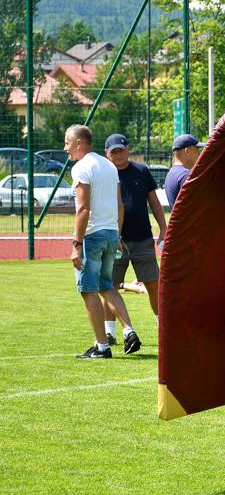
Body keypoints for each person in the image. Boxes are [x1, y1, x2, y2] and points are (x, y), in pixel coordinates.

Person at [64, 124, 137, 359]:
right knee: (107, 286)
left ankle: (101, 347)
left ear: (78, 143)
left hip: (92, 236)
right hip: (110, 234)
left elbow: (82, 208)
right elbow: (119, 205)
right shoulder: (108, 165)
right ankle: (129, 330)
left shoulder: (81, 167)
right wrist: (117, 235)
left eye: (67, 143)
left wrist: (76, 245)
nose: (65, 148)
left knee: (88, 290)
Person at [103, 134, 165, 349]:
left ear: (128, 150)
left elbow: (154, 202)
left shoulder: (141, 170)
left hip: (142, 239)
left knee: (152, 283)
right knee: (109, 286)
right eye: (114, 152)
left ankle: (162, 328)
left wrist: (163, 227)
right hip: (114, 241)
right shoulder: (105, 174)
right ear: (107, 154)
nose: (118, 155)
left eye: (121, 150)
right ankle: (109, 333)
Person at [164, 133, 205, 211]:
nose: (199, 154)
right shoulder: (186, 175)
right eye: (197, 150)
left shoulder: (172, 173)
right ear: (187, 151)